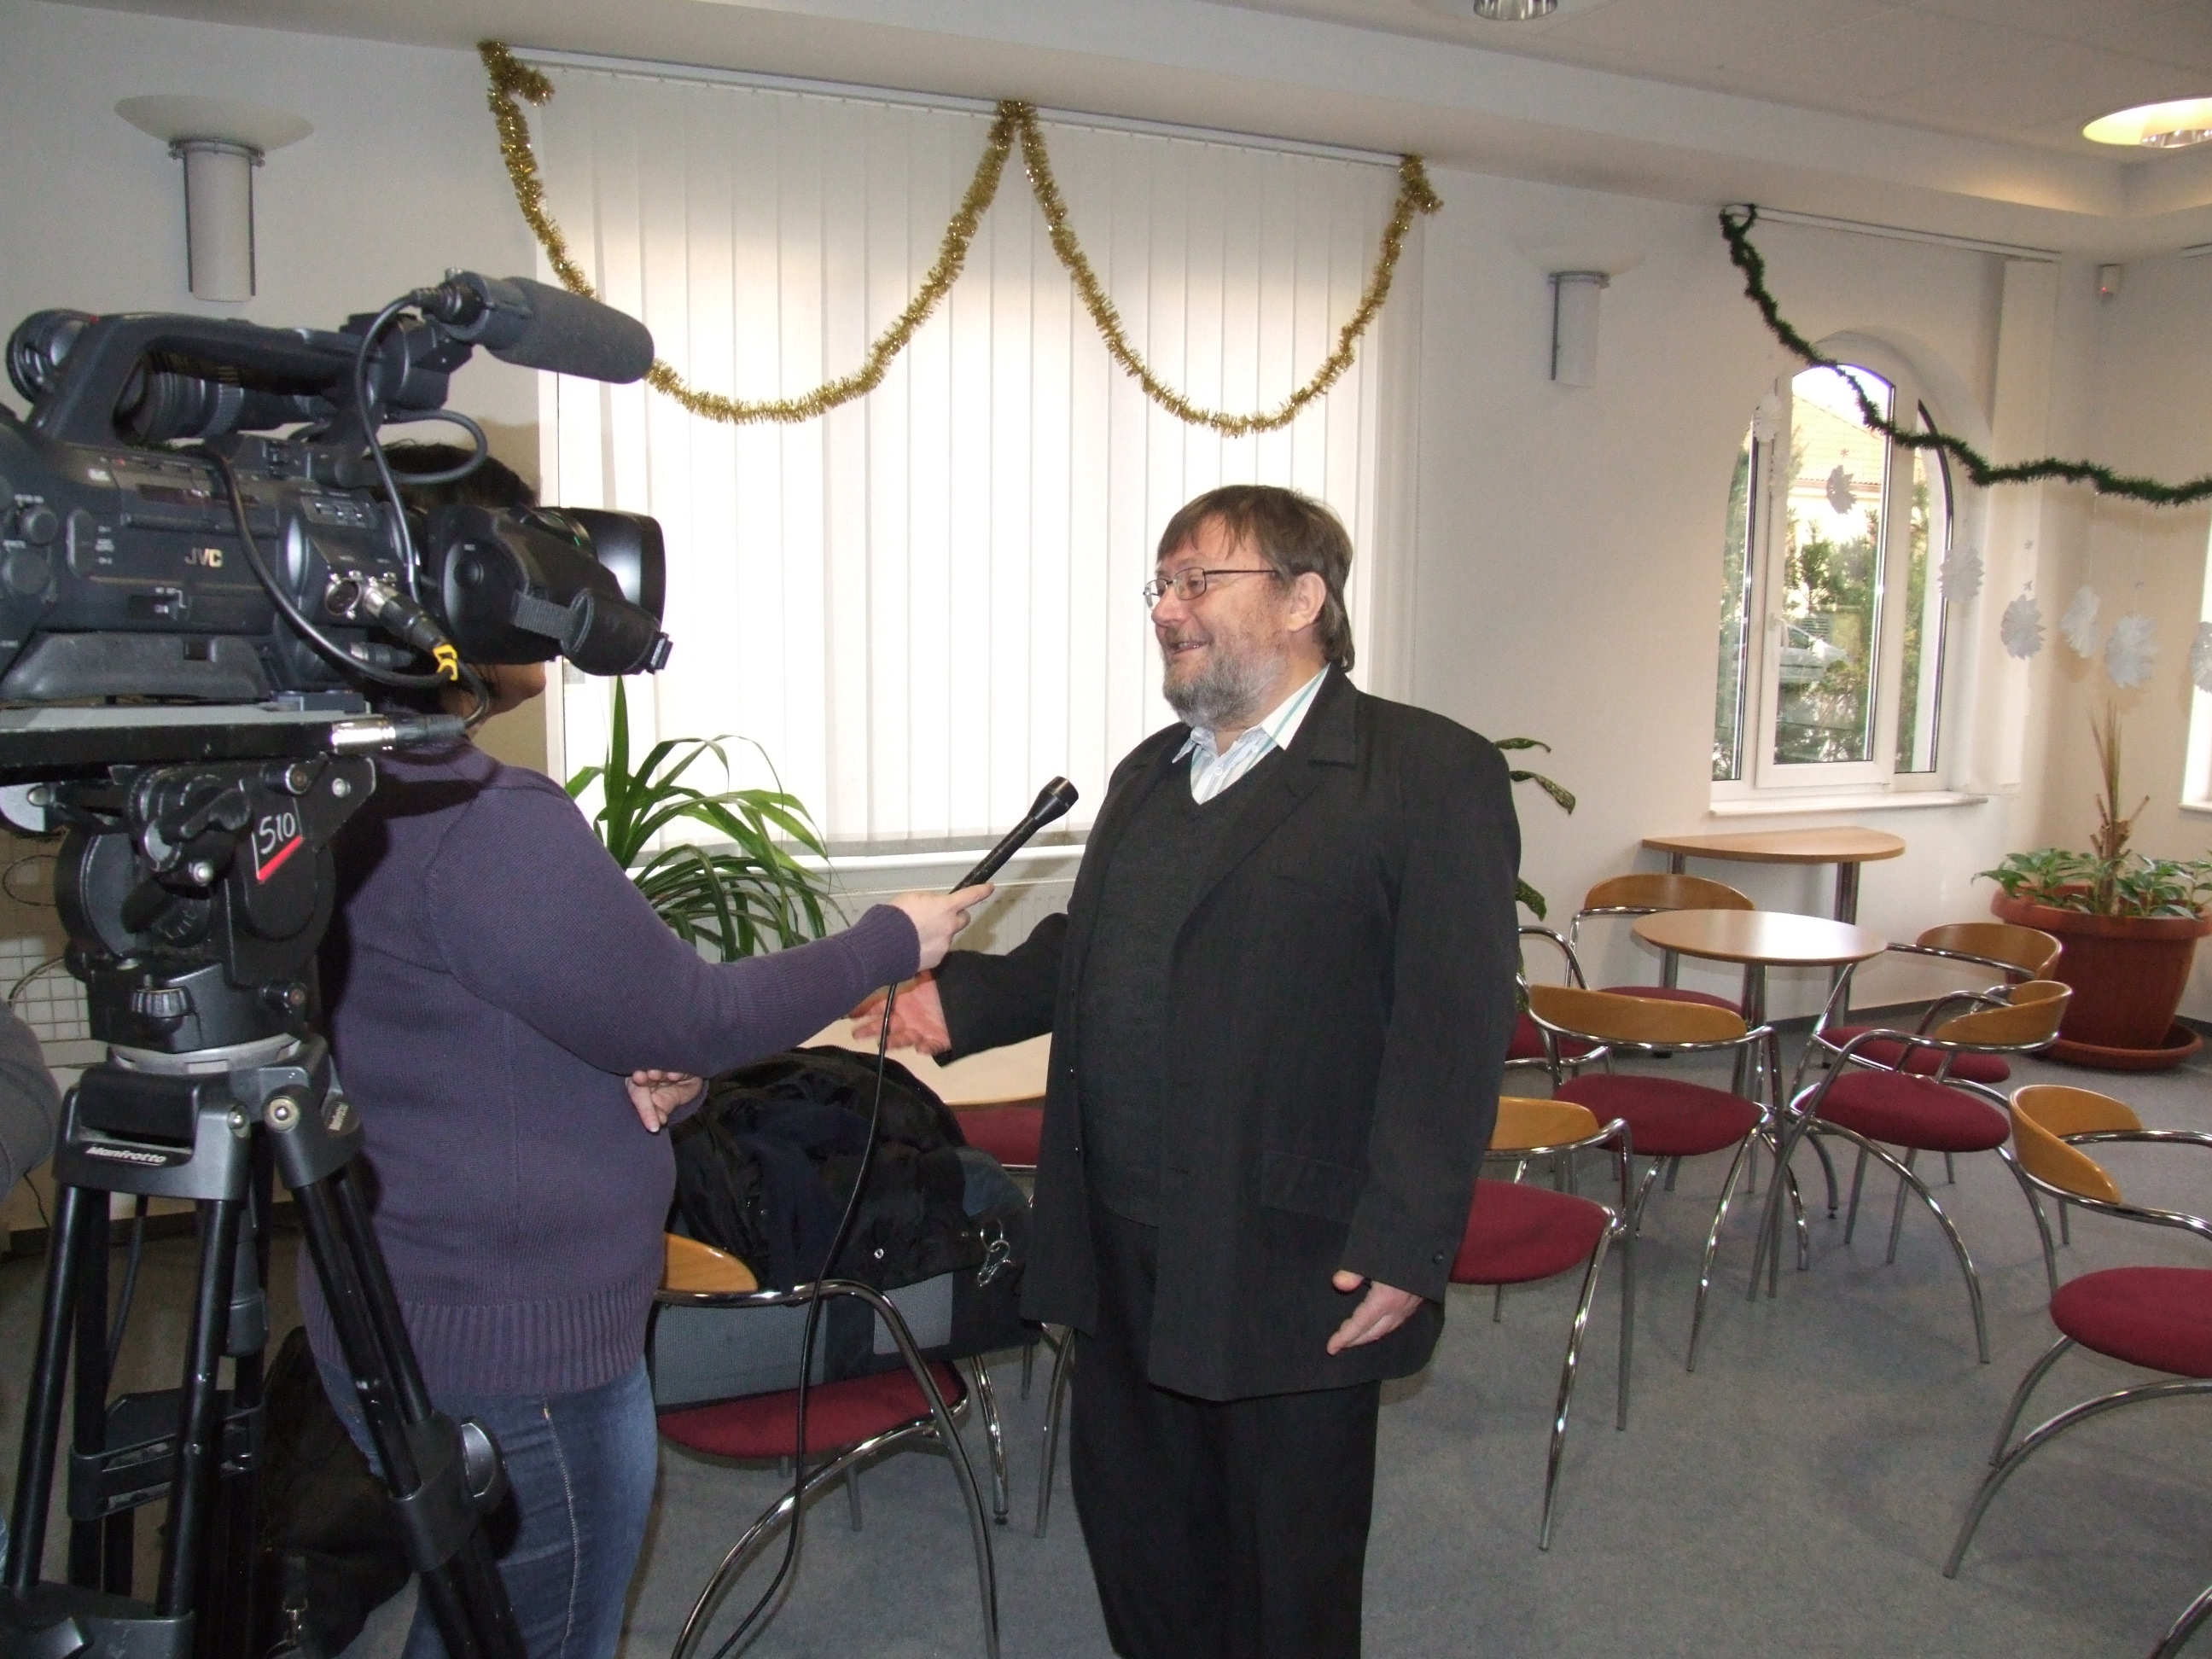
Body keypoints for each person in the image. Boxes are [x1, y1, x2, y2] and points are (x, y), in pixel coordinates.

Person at [311, 445, 991, 1659]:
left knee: (471, 1624)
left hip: (397, 1308)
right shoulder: (479, 821)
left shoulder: (321, 789)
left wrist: (641, 1071)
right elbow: (695, 1016)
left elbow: (459, 1042)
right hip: (519, 1351)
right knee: (537, 1634)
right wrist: (891, 938)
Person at [859, 484, 1520, 1659]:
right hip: (1120, 1239)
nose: (1167, 609)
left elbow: (1453, 1024)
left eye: (1198, 581)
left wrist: (1409, 1238)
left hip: (1294, 1252)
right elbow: (1101, 943)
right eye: (1160, 585)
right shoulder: (1152, 772)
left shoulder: (1425, 772)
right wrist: (953, 1002)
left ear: (1304, 598)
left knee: (1285, 1576)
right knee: (1146, 1547)